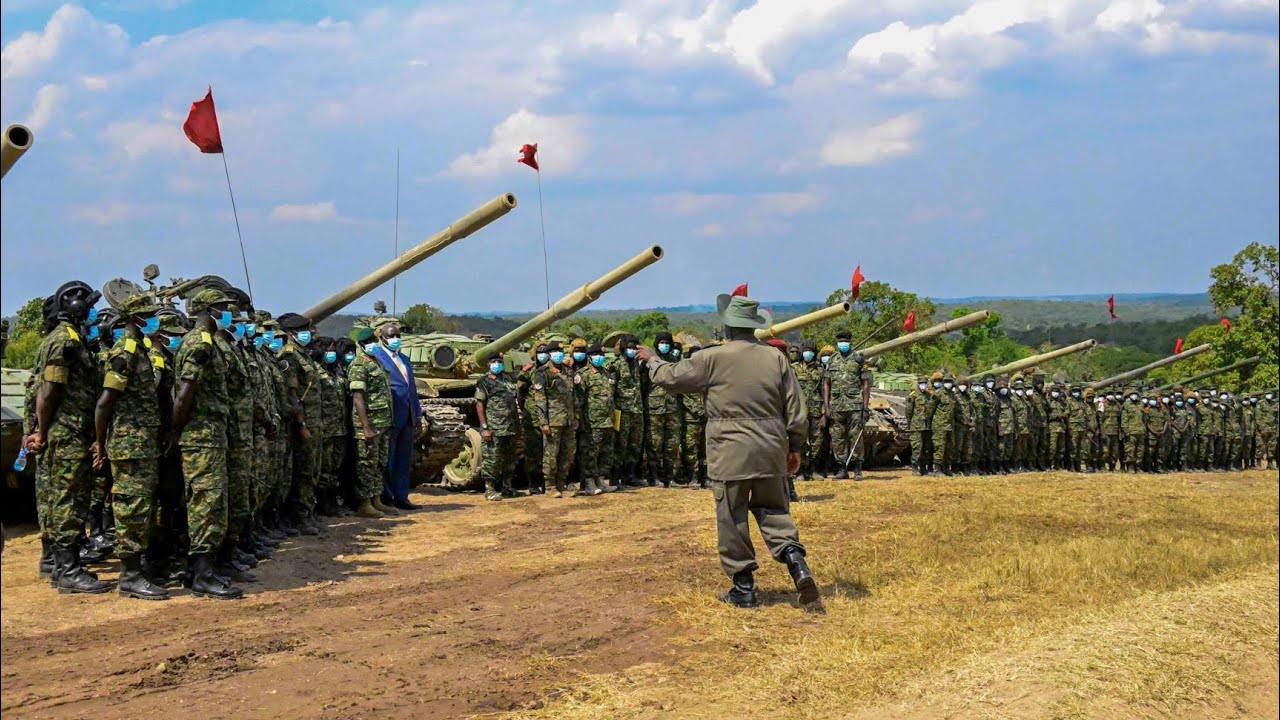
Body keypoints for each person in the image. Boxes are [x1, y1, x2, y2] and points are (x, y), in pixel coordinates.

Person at [638, 293, 820, 611]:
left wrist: (652, 359)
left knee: (732, 517)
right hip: (771, 449)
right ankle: (797, 565)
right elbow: (797, 410)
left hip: (730, 451)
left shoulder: (713, 358)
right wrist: (794, 447)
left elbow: (670, 378)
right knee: (775, 512)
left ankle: (744, 589)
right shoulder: (776, 359)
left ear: (728, 327)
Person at [27, 281, 112, 594]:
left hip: (72, 430)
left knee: (69, 498)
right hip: (67, 432)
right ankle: (68, 571)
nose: (91, 313)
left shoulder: (72, 339)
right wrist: (42, 431)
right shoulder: (65, 341)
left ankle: (64, 565)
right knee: (68, 500)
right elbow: (48, 391)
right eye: (87, 307)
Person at [91, 293, 169, 600]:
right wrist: (100, 444)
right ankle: (130, 576)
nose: (155, 320)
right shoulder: (124, 351)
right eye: (149, 315)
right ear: (135, 319)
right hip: (129, 443)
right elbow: (105, 402)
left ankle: (139, 570)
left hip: (142, 442)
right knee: (131, 508)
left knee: (142, 508)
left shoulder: (140, 349)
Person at [173, 289, 243, 600]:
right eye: (224, 309)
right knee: (207, 503)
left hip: (209, 433)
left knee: (210, 502)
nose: (229, 314)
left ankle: (198, 570)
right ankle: (202, 574)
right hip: (201, 436)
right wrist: (176, 431)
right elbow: (186, 392)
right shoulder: (200, 343)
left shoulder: (206, 342)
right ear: (209, 310)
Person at [367, 317, 423, 510]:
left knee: (403, 458)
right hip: (389, 417)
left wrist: (417, 415)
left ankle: (402, 496)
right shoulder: (378, 358)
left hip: (407, 415)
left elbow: (411, 389)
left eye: (398, 335)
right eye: (392, 336)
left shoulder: (404, 359)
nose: (396, 339)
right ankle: (388, 497)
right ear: (382, 338)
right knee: (387, 459)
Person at [349, 325, 396, 516]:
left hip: (382, 422)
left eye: (374, 342)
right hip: (368, 424)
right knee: (366, 463)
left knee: (379, 462)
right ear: (361, 344)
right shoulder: (359, 364)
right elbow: (358, 397)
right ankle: (364, 503)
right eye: (368, 342)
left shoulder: (376, 362)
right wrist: (366, 427)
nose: (373, 345)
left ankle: (376, 499)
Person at [530, 341, 577, 497]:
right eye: (555, 351)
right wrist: (544, 422)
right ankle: (550, 487)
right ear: (549, 354)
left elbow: (573, 397)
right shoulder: (542, 373)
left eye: (560, 351)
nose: (558, 354)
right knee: (551, 455)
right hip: (553, 421)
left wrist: (575, 417)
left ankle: (561, 484)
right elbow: (540, 399)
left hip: (568, 420)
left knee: (567, 454)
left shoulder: (569, 372)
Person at [823, 331, 870, 480]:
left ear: (850, 342)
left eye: (845, 341)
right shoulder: (832, 360)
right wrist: (827, 406)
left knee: (855, 437)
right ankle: (842, 469)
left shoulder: (858, 359)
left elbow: (866, 384)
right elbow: (826, 384)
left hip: (855, 406)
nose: (843, 344)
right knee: (837, 439)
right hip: (836, 406)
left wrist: (865, 407)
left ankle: (857, 469)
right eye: (840, 341)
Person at [475, 350, 521, 501]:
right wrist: (484, 427)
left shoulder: (508, 379)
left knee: (510, 459)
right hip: (494, 427)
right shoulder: (484, 381)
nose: (497, 364)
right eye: (494, 362)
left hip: (510, 426)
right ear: (488, 364)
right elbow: (480, 404)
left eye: (499, 362)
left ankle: (507, 487)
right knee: (492, 459)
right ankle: (490, 489)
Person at [577, 344, 616, 495]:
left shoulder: (607, 373)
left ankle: (601, 480)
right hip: (592, 421)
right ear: (589, 357)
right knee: (590, 453)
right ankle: (589, 483)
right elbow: (579, 400)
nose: (600, 357)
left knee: (606, 452)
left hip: (608, 420)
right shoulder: (583, 375)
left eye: (602, 354)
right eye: (597, 354)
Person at [643, 331, 680, 486]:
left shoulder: (675, 361)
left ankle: (669, 477)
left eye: (666, 342)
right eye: (661, 342)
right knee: (654, 444)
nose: (664, 345)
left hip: (672, 408)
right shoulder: (650, 362)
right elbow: (643, 386)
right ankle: (653, 476)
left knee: (672, 444)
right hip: (654, 409)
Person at [792, 343, 826, 480]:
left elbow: (825, 390)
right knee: (799, 441)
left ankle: (813, 470)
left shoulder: (821, 370)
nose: (807, 353)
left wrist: (824, 412)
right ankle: (799, 470)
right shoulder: (794, 368)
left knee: (816, 441)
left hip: (816, 410)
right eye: (805, 351)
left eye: (810, 351)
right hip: (799, 411)